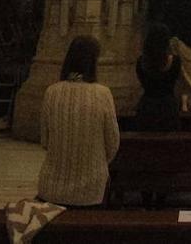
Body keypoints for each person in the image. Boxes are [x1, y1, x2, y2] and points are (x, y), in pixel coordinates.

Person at [37, 36, 120, 207]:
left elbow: (45, 141)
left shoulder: (52, 92)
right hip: (91, 191)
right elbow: (113, 143)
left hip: (52, 188)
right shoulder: (102, 93)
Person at [133, 23, 181, 131]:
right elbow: (176, 81)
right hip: (168, 107)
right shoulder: (175, 62)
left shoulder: (141, 62)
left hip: (147, 106)